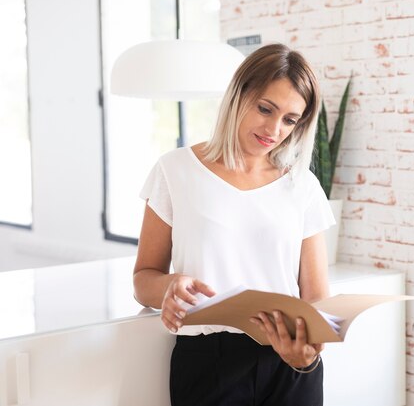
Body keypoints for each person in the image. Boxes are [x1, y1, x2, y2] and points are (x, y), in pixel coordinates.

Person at [133, 43, 335, 406]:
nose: (274, 129)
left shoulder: (302, 186)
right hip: (209, 363)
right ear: (238, 95)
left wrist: (309, 353)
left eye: (290, 120)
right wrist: (169, 287)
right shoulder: (175, 170)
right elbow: (143, 279)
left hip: (290, 365)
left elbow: (317, 297)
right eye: (265, 109)